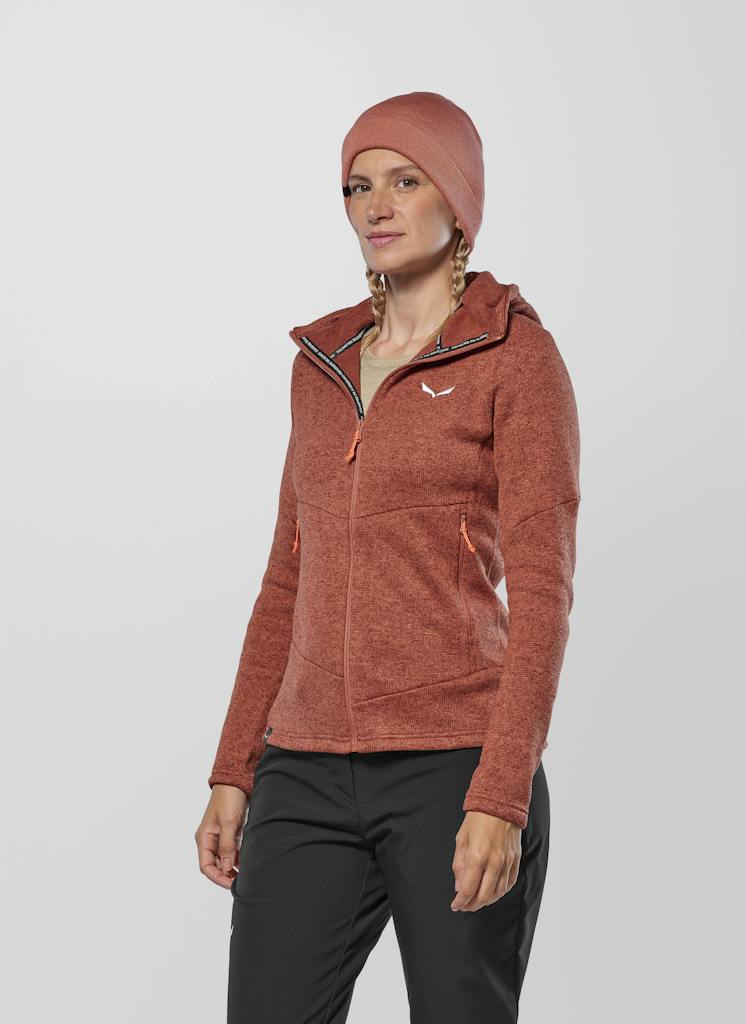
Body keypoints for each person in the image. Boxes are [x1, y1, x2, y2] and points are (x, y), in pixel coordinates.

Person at [194, 91, 581, 1023]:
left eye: (406, 181)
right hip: (304, 766)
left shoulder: (515, 357)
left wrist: (501, 793)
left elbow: (543, 591)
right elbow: (287, 577)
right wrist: (235, 766)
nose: (376, 206)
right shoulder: (321, 365)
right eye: (357, 186)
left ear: (458, 199)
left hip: (453, 765)